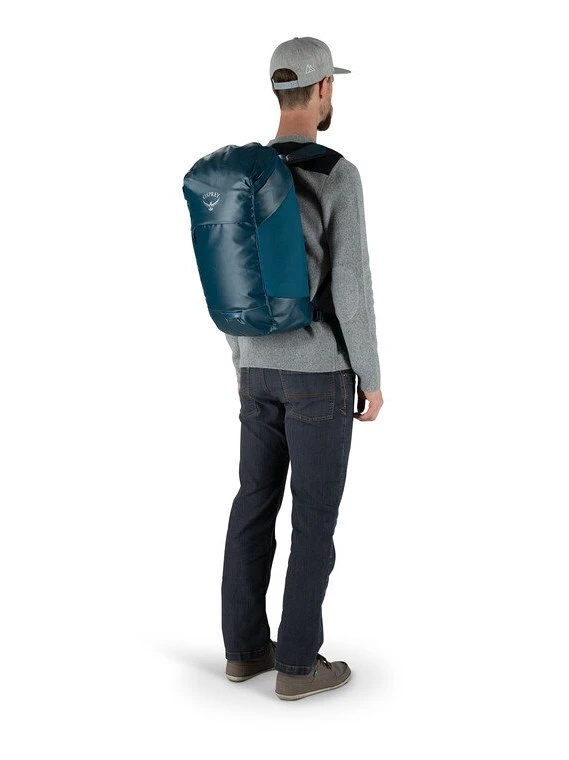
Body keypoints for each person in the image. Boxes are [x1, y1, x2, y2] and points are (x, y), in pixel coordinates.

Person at [221, 36, 384, 700]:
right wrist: (370, 375)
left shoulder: (242, 173)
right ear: (322, 90)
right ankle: (296, 666)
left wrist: (244, 361)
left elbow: (231, 276)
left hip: (255, 367)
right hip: (319, 375)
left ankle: (243, 653)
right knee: (312, 518)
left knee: (252, 505)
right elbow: (351, 288)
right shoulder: (336, 173)